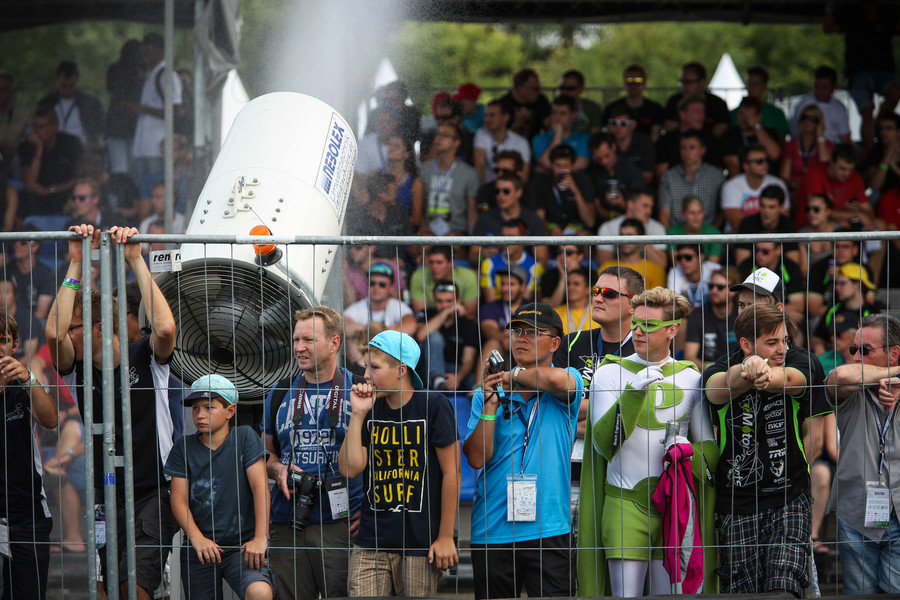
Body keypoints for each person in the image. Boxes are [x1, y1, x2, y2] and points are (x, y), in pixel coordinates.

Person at [45, 224, 178, 600]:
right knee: (105, 589)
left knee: (135, 588)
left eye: (75, 328)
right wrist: (76, 263)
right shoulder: (77, 369)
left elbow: (166, 327)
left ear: (99, 328)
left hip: (153, 490)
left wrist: (136, 259)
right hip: (105, 492)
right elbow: (53, 334)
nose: (67, 334)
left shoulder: (145, 356)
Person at [579, 287, 715, 597]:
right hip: (624, 504)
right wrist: (631, 395)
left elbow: (709, 450)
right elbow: (603, 445)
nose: (638, 332)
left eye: (649, 325)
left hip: (674, 507)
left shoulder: (691, 377)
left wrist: (687, 451)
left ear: (672, 330)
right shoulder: (609, 373)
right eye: (636, 323)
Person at [704, 305, 831, 598]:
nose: (782, 349)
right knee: (742, 592)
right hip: (736, 503)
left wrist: (765, 374)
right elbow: (719, 387)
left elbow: (790, 380)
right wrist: (746, 370)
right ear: (746, 344)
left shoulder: (801, 361)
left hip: (790, 497)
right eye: (772, 342)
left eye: (784, 340)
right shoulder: (718, 368)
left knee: (784, 587)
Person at [464, 303, 582, 599]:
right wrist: (490, 406)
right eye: (516, 331)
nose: (521, 338)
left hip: (549, 529)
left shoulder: (568, 379)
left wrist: (510, 377)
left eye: (533, 332)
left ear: (555, 343)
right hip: (493, 527)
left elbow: (553, 380)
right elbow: (476, 458)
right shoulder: (487, 392)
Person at [339, 330, 460, 597]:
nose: (366, 375)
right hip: (371, 540)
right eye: (365, 367)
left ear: (401, 370)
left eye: (374, 367)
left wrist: (445, 536)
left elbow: (452, 473)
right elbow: (349, 468)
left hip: (421, 542)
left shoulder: (433, 405)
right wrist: (357, 413)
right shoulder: (369, 407)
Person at [262, 306, 364, 600]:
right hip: (287, 519)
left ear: (334, 343)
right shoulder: (279, 392)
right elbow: (267, 455)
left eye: (308, 340)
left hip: (341, 522)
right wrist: (278, 469)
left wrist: (369, 510)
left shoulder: (358, 389)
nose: (299, 348)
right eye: (296, 340)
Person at [166, 375, 274, 600]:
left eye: (209, 407)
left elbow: (260, 488)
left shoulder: (245, 437)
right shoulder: (183, 447)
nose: (200, 414)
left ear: (230, 411)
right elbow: (178, 499)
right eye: (195, 408)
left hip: (243, 547)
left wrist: (260, 538)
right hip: (200, 548)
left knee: (260, 592)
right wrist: (197, 539)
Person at [824, 313, 900, 595]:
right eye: (853, 349)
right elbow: (842, 375)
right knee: (859, 595)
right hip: (857, 512)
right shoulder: (849, 389)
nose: (856, 357)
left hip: (898, 512)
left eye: (865, 350)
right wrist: (894, 374)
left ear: (893, 353)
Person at [0, 310, 58, 600]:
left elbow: (51, 420)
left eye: (3, 340)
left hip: (27, 515)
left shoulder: (25, 385)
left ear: (15, 345)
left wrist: (29, 378)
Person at [824, 0, 900, 150]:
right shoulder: (851, 11)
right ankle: (870, 154)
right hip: (857, 72)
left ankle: (878, 124)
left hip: (883, 71)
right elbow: (828, 29)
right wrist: (829, 6)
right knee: (867, 112)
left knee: (895, 92)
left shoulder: (888, 11)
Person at [132, 32, 183, 187]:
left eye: (150, 47)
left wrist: (143, 109)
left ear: (161, 51)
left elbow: (176, 113)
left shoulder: (167, 76)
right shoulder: (148, 75)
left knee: (157, 189)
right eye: (143, 48)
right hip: (141, 147)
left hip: (157, 149)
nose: (145, 52)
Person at [470, 173, 548, 266]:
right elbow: (473, 256)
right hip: (493, 271)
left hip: (524, 272)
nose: (500, 195)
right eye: (497, 191)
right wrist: (483, 255)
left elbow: (541, 260)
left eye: (506, 191)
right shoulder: (485, 219)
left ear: (518, 192)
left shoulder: (533, 220)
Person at [414, 281, 478, 391]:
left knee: (473, 380)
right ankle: (437, 380)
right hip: (427, 368)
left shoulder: (467, 323)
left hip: (454, 369)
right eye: (439, 301)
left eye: (449, 301)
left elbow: (468, 359)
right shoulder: (425, 314)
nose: (444, 305)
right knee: (434, 336)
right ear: (434, 299)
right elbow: (420, 335)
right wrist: (447, 311)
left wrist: (458, 377)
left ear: (458, 300)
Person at [19, 107, 82, 216]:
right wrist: (39, 148)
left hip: (64, 193)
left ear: (54, 127)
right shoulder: (26, 147)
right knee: (28, 195)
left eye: (42, 127)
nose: (37, 131)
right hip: (38, 198)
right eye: (35, 126)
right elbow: (29, 183)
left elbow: (79, 178)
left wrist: (49, 190)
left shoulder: (70, 143)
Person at [657, 129, 725, 228]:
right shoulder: (668, 177)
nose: (687, 152)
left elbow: (723, 210)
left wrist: (713, 233)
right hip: (677, 233)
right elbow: (664, 211)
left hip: (708, 232)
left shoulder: (716, 176)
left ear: (703, 150)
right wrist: (669, 237)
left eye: (692, 148)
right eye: (683, 148)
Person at [421, 123, 479, 236]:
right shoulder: (424, 169)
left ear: (456, 143)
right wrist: (423, 226)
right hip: (428, 230)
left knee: (453, 242)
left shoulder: (470, 174)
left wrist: (473, 240)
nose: (439, 138)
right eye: (437, 134)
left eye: (445, 135)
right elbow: (418, 205)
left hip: (456, 231)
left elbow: (472, 211)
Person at [800, 143, 874, 229]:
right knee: (843, 224)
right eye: (842, 168)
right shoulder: (814, 174)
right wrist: (856, 214)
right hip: (811, 227)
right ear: (831, 162)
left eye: (850, 169)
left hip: (846, 224)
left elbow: (870, 213)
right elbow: (818, 212)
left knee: (878, 224)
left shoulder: (855, 176)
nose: (847, 174)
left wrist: (859, 210)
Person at [719, 144, 790, 233]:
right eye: (759, 161)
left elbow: (783, 219)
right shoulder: (731, 186)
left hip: (772, 238)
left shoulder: (778, 184)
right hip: (739, 237)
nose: (765, 164)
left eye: (766, 160)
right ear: (746, 166)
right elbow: (737, 224)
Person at [36, 61, 105, 152]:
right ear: (56, 80)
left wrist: (98, 140)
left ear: (76, 81)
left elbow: (102, 129)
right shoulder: (46, 103)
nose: (67, 91)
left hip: (83, 149)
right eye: (63, 86)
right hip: (54, 150)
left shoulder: (91, 103)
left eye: (71, 86)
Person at [529, 144, 596, 236]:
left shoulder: (582, 181)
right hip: (552, 231)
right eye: (558, 165)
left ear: (572, 166)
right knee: (542, 234)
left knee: (584, 236)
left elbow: (590, 222)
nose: (561, 170)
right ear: (551, 165)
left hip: (577, 231)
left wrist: (576, 192)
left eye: (566, 166)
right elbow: (539, 218)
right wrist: (551, 226)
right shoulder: (541, 182)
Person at [596, 188, 667, 267]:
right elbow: (604, 265)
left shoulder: (657, 227)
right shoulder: (608, 227)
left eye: (651, 207)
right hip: (619, 272)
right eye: (645, 206)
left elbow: (661, 265)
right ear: (630, 204)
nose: (649, 211)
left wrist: (642, 237)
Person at [343, 263, 417, 337]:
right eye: (372, 283)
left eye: (382, 284)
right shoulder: (359, 306)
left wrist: (370, 332)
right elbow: (345, 326)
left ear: (391, 288)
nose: (376, 287)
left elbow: (411, 325)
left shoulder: (398, 306)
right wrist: (380, 331)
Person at [479, 219, 543, 303]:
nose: (506, 241)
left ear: (524, 238)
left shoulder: (535, 267)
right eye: (503, 236)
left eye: (511, 237)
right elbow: (492, 304)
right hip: (496, 311)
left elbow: (523, 303)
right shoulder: (488, 264)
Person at [683, 269, 736, 369]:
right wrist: (714, 368)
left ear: (733, 292)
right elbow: (689, 357)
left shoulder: (741, 315)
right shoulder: (697, 315)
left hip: (737, 371)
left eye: (720, 287)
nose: (714, 291)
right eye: (711, 286)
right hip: (708, 371)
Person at [734, 185, 799, 266]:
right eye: (763, 206)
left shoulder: (788, 225)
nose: (766, 211)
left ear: (781, 207)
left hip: (779, 272)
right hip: (752, 272)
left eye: (771, 207)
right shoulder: (747, 224)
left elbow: (793, 263)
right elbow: (741, 263)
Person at [105, 39, 143, 176]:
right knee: (131, 170)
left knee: (121, 169)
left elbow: (110, 88)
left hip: (121, 129)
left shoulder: (114, 70)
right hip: (123, 128)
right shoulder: (137, 73)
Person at [587, 132, 644, 222]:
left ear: (613, 147)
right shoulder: (595, 170)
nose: (604, 161)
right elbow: (596, 207)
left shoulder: (630, 169)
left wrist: (622, 204)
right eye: (599, 158)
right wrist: (613, 215)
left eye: (607, 156)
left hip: (631, 221)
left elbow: (641, 208)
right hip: (604, 223)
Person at [663, 62, 731, 137]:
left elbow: (720, 133)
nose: (684, 86)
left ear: (702, 82)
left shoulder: (717, 104)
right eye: (682, 82)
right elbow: (670, 129)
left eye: (688, 82)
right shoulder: (674, 102)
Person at [720, 97, 783, 177]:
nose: (744, 118)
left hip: (768, 180)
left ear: (758, 116)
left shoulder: (770, 132)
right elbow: (733, 167)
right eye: (741, 113)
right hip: (741, 181)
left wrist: (757, 126)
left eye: (748, 114)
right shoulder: (730, 135)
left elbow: (775, 154)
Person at [409, 245, 479, 316]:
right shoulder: (419, 276)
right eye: (431, 262)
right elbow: (421, 316)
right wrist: (444, 315)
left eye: (439, 262)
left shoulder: (468, 276)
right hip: (431, 321)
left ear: (451, 263)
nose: (434, 267)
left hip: (460, 320)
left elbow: (470, 315)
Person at [790, 65, 852, 145]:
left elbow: (845, 137)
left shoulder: (839, 107)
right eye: (816, 87)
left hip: (833, 149)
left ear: (834, 87)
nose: (819, 91)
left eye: (824, 87)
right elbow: (797, 134)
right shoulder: (803, 105)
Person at [598, 219, 666, 290]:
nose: (624, 240)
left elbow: (657, 296)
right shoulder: (606, 267)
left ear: (641, 240)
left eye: (629, 235)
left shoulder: (656, 270)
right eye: (621, 235)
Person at [473, 100, 532, 184]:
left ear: (505, 117)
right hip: (488, 186)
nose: (487, 119)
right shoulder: (481, 134)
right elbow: (479, 165)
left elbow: (524, 176)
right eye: (486, 115)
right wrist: (482, 190)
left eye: (492, 115)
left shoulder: (521, 142)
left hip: (511, 189)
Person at [780, 104, 833, 195]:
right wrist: (796, 184)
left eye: (812, 119)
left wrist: (820, 136)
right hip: (795, 189)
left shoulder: (827, 145)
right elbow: (784, 176)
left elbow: (824, 162)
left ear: (819, 123)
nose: (807, 121)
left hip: (819, 189)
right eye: (804, 118)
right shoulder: (791, 144)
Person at [602, 65, 664, 142]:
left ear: (645, 84)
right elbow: (609, 137)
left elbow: (654, 139)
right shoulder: (611, 108)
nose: (633, 84)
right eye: (629, 80)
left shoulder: (655, 109)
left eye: (638, 80)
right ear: (624, 83)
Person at [532, 95, 590, 173]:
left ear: (573, 115)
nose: (557, 117)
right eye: (554, 113)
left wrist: (547, 168)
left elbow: (582, 164)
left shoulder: (584, 138)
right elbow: (545, 162)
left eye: (563, 113)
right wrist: (557, 135)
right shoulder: (539, 139)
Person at [730, 65, 791, 138]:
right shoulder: (733, 114)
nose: (750, 87)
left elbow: (781, 142)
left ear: (765, 86)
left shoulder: (777, 114)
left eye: (755, 84)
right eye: (749, 83)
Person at [604, 105, 655, 186]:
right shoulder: (606, 143)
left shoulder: (644, 142)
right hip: (612, 189)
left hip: (638, 190)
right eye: (614, 123)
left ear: (633, 125)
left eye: (623, 123)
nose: (618, 127)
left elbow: (647, 177)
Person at [497, 68, 551, 141]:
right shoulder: (504, 105)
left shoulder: (541, 101)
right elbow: (502, 141)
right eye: (536, 88)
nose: (539, 92)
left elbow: (549, 129)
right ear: (521, 90)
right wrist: (517, 124)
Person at [665, 195, 723, 263]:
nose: (696, 217)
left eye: (699, 212)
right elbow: (676, 263)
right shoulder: (672, 232)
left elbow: (712, 264)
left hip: (705, 270)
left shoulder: (714, 233)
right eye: (692, 213)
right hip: (681, 270)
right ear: (683, 214)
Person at [667, 243, 721, 309]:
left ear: (701, 257)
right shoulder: (675, 272)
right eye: (679, 258)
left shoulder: (715, 269)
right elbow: (673, 306)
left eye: (688, 257)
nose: (683, 261)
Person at [557, 69, 604, 134]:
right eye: (562, 88)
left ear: (581, 89)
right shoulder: (555, 107)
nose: (564, 92)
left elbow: (596, 135)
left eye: (569, 88)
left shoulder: (592, 108)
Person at [553, 267, 596, 335]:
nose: (570, 287)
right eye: (568, 284)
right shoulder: (556, 314)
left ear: (588, 289)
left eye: (576, 284)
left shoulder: (597, 312)